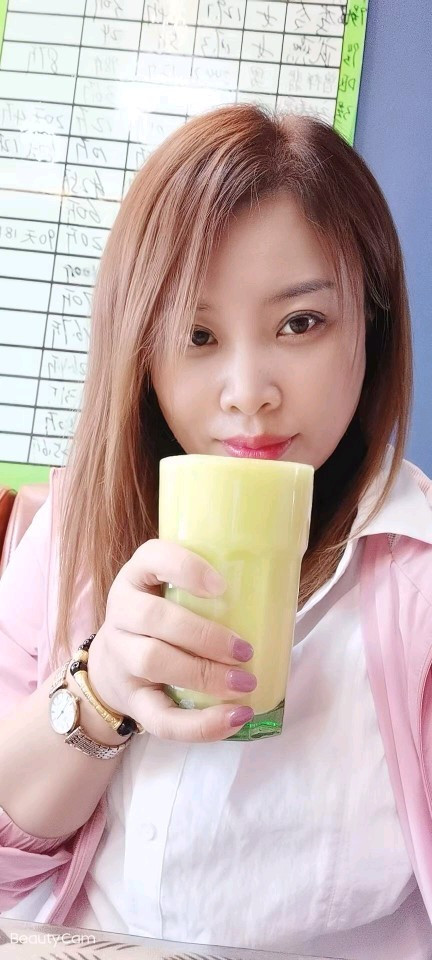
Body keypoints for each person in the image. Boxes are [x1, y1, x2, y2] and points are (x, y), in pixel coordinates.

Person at [0, 103, 431, 959]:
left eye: (300, 323)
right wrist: (101, 689)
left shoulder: (415, 578)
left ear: (372, 324)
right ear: (142, 355)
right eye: (195, 334)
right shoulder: (71, 535)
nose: (247, 392)